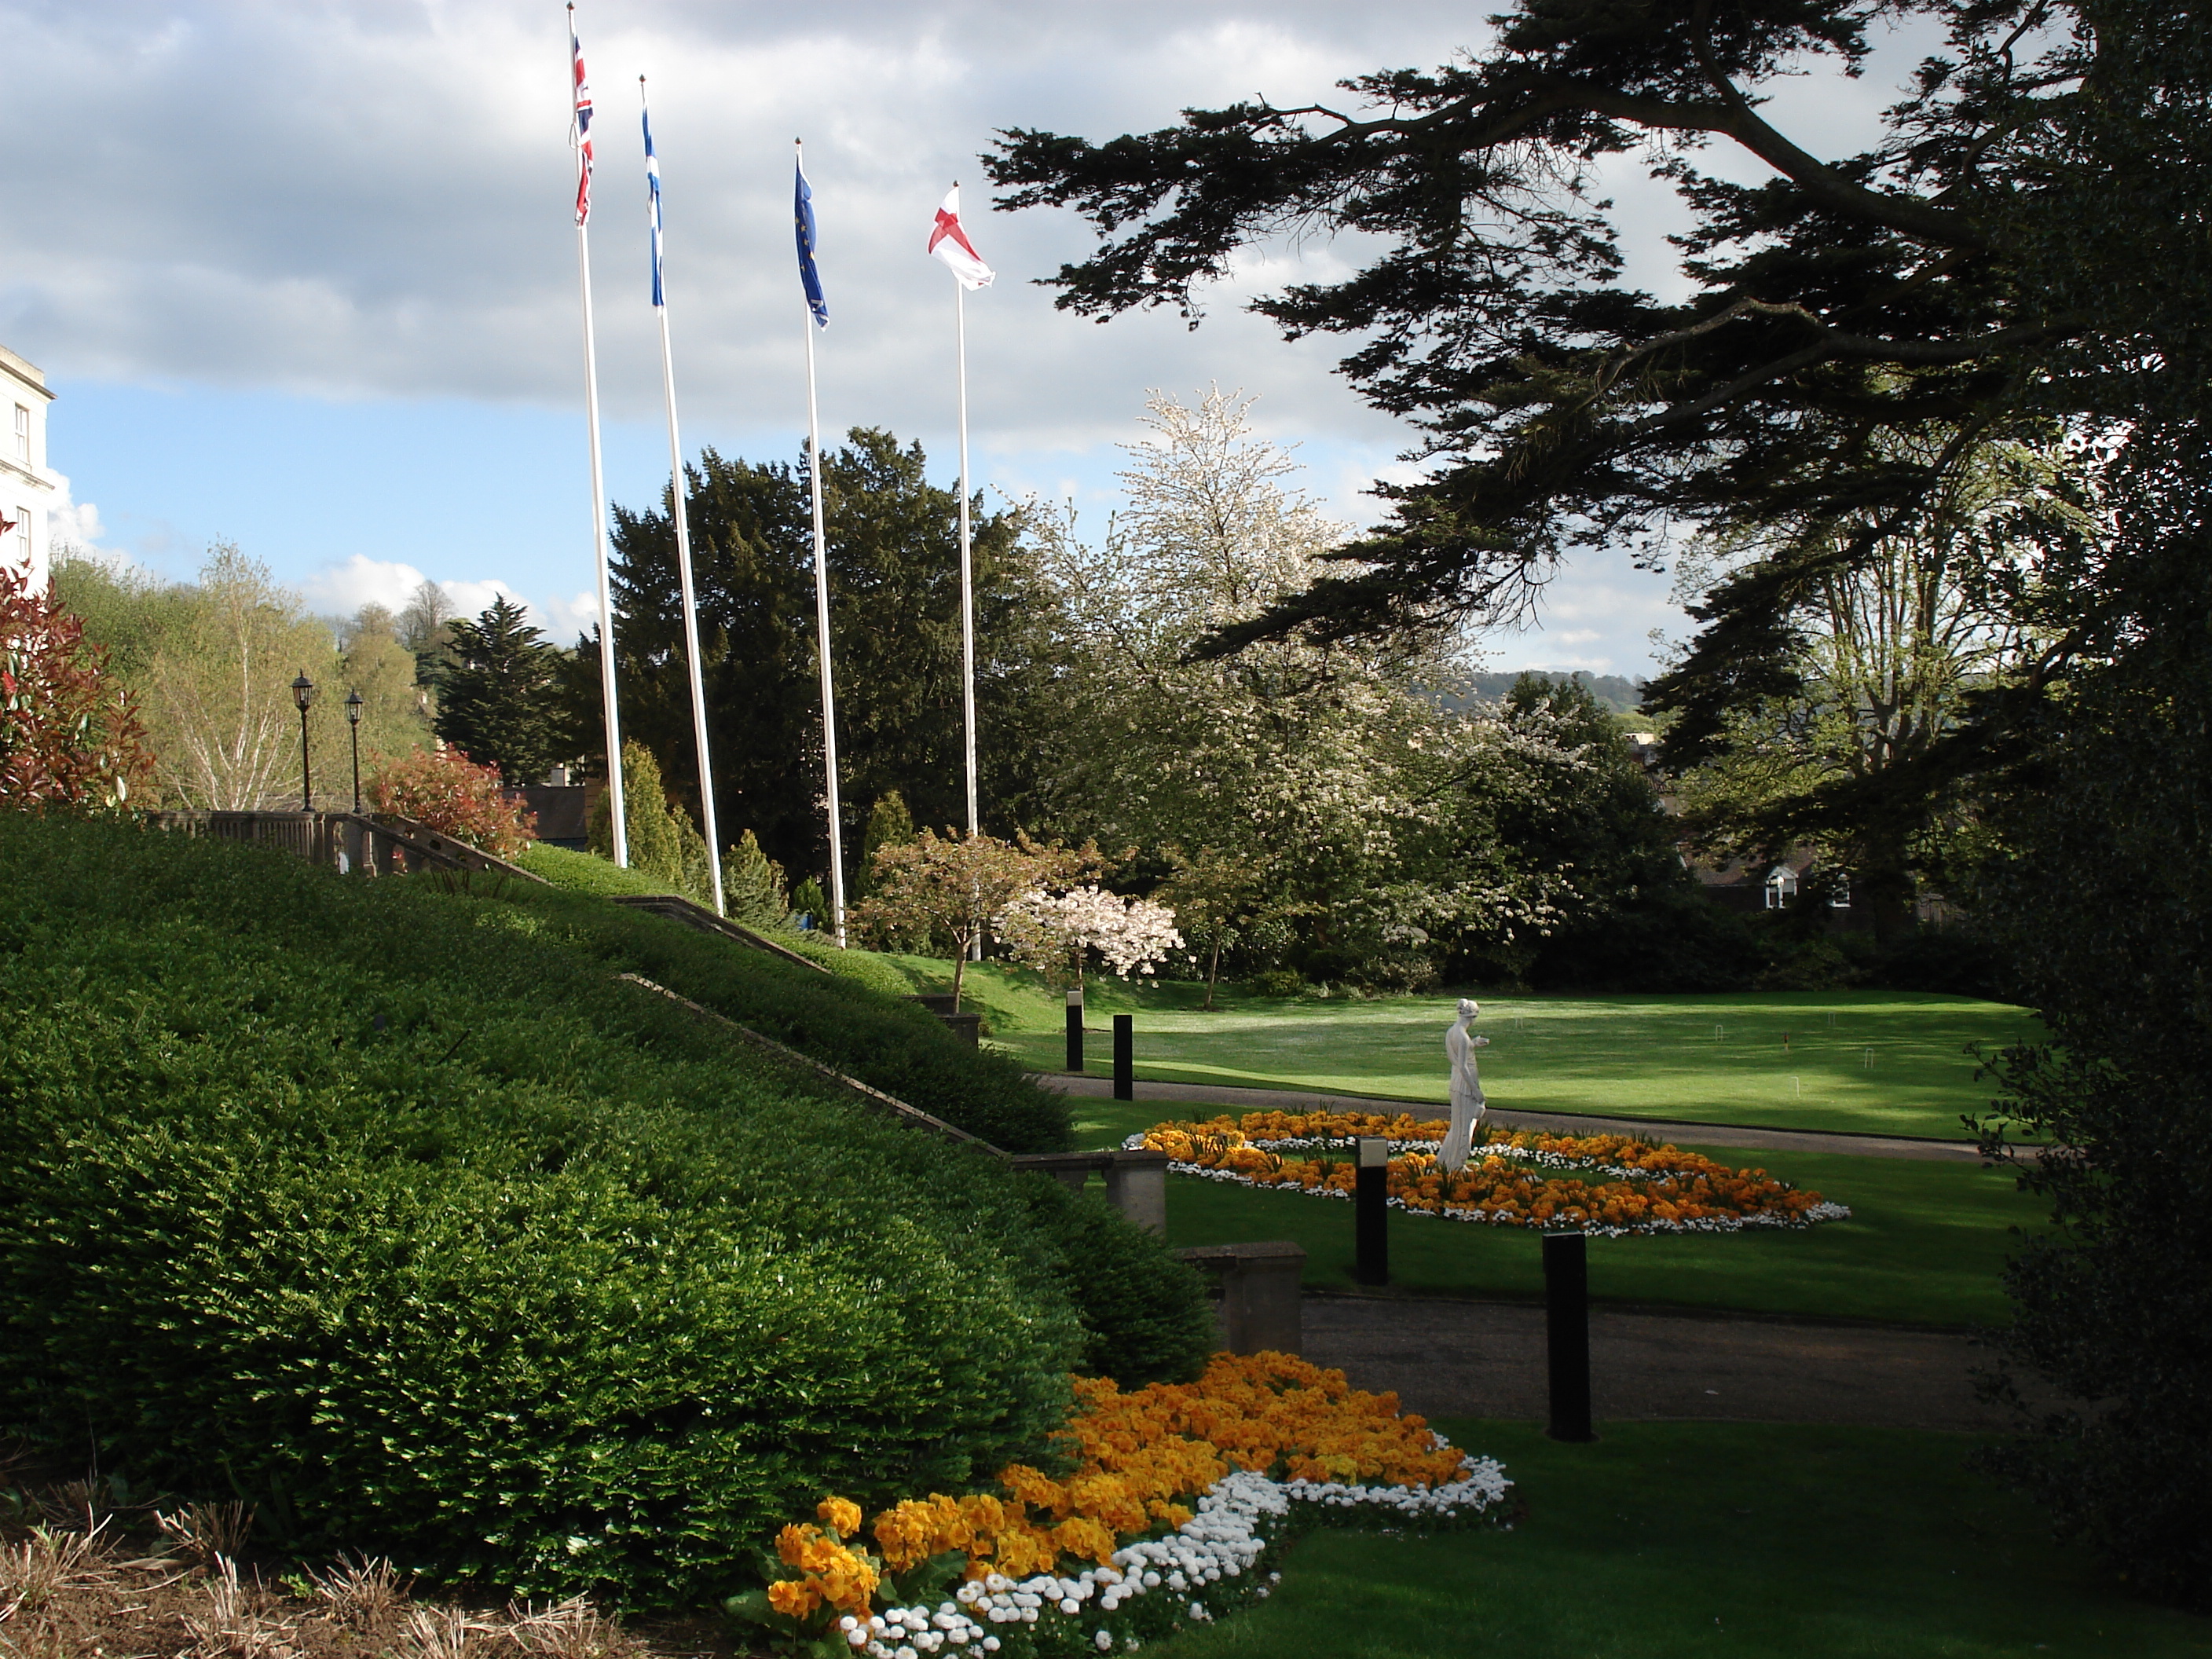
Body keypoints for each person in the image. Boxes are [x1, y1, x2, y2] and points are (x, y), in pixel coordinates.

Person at [1440, 998, 1490, 1174]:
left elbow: (1454, 1057)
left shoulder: (1452, 1032)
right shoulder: (1461, 1036)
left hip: (1457, 1080)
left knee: (1458, 1124)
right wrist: (1476, 1090)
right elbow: (1461, 1065)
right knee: (1466, 1125)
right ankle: (1457, 1164)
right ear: (1471, 1017)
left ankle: (1445, 1159)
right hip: (1464, 1083)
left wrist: (1473, 1044)